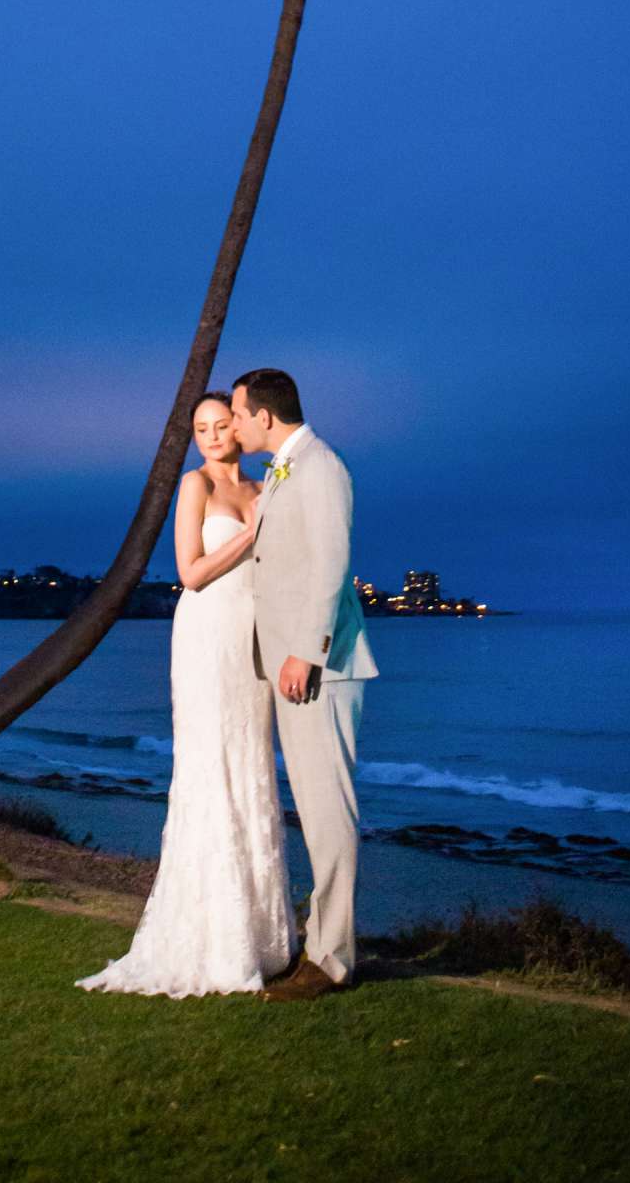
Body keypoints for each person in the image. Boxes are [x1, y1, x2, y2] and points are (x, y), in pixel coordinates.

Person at [75, 391, 295, 996]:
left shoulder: (263, 488)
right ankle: (211, 935)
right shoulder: (196, 486)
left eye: (222, 424)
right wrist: (248, 538)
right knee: (210, 769)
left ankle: (263, 936)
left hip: (254, 639)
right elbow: (189, 573)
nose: (212, 435)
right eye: (201, 428)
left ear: (240, 427)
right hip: (206, 637)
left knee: (251, 767)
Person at [231, 366, 377, 999]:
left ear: (265, 416)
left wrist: (306, 653)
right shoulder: (284, 469)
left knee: (328, 810)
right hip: (293, 664)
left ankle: (334, 960)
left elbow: (331, 565)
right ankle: (320, 944)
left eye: (237, 415)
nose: (234, 427)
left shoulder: (320, 467)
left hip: (318, 667)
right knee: (315, 812)